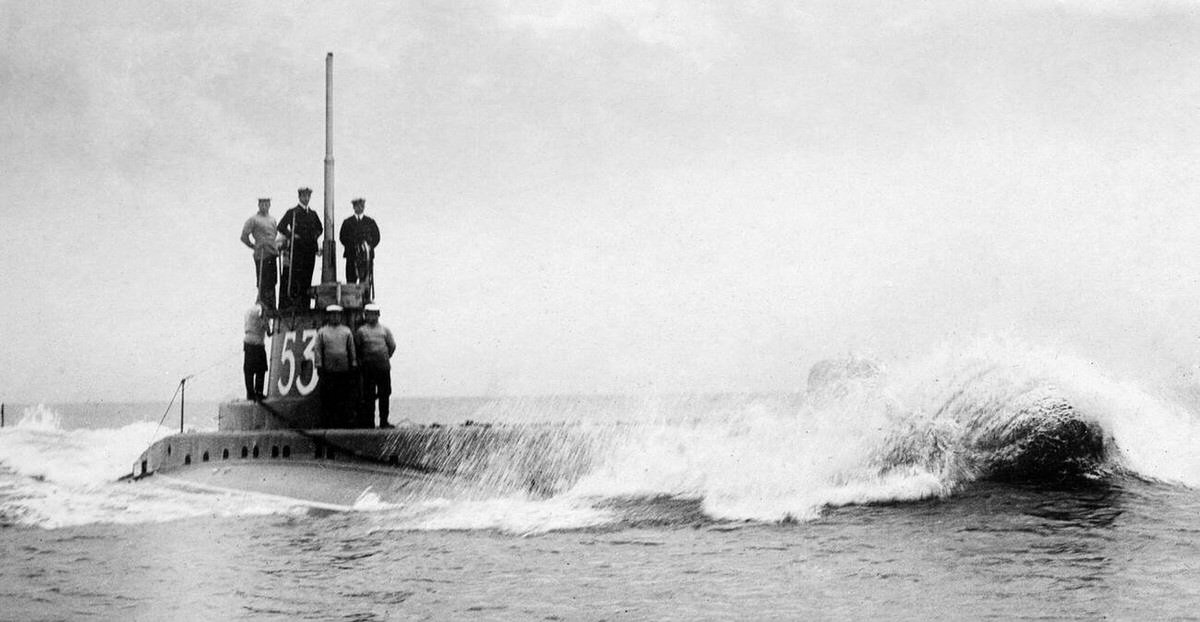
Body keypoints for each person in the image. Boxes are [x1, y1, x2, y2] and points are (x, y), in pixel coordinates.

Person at [277, 187, 322, 310]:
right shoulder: (293, 212)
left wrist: (314, 236)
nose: (306, 199)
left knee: (308, 277)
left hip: (310, 251)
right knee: (296, 277)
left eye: (308, 196)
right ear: (299, 197)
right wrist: (291, 235)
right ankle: (296, 304)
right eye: (304, 196)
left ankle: (305, 305)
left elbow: (320, 228)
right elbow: (281, 226)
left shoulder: (313, 214)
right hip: (297, 250)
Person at [313, 304, 356, 427]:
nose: (335, 317)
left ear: (340, 316)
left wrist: (353, 364)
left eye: (337, 315)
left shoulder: (346, 331)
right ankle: (327, 422)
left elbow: (351, 349)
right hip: (328, 370)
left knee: (343, 398)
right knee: (328, 398)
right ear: (328, 316)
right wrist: (319, 365)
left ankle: (342, 422)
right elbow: (317, 350)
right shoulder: (322, 332)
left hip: (343, 370)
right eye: (332, 315)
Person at [355, 303, 396, 428]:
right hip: (368, 368)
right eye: (368, 314)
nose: (371, 316)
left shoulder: (385, 330)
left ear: (378, 315)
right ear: (365, 315)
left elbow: (392, 346)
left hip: (383, 367)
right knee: (369, 396)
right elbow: (357, 348)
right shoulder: (361, 331)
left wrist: (384, 357)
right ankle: (370, 422)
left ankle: (384, 421)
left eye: (374, 314)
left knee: (384, 394)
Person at [239, 198, 279, 310]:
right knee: (263, 281)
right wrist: (253, 246)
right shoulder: (253, 220)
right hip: (261, 255)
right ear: (259, 205)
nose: (265, 206)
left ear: (270, 204)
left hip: (272, 254)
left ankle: (272, 305)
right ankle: (262, 304)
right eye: (262, 204)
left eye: (267, 203)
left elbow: (274, 235)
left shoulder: (273, 220)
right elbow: (244, 236)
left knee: (273, 281)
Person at [338, 197, 381, 286]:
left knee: (366, 283)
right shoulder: (347, 222)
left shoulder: (370, 222)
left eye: (362, 206)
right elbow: (342, 238)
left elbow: (376, 237)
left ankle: (365, 299)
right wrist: (353, 246)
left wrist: (368, 247)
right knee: (351, 282)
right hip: (351, 256)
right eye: (357, 206)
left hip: (366, 257)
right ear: (353, 207)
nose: (360, 208)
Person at [243, 303, 271, 401]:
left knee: (248, 370)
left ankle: (250, 394)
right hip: (258, 344)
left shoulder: (248, 311)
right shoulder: (262, 311)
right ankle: (258, 392)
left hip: (248, 342)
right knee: (261, 369)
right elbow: (268, 331)